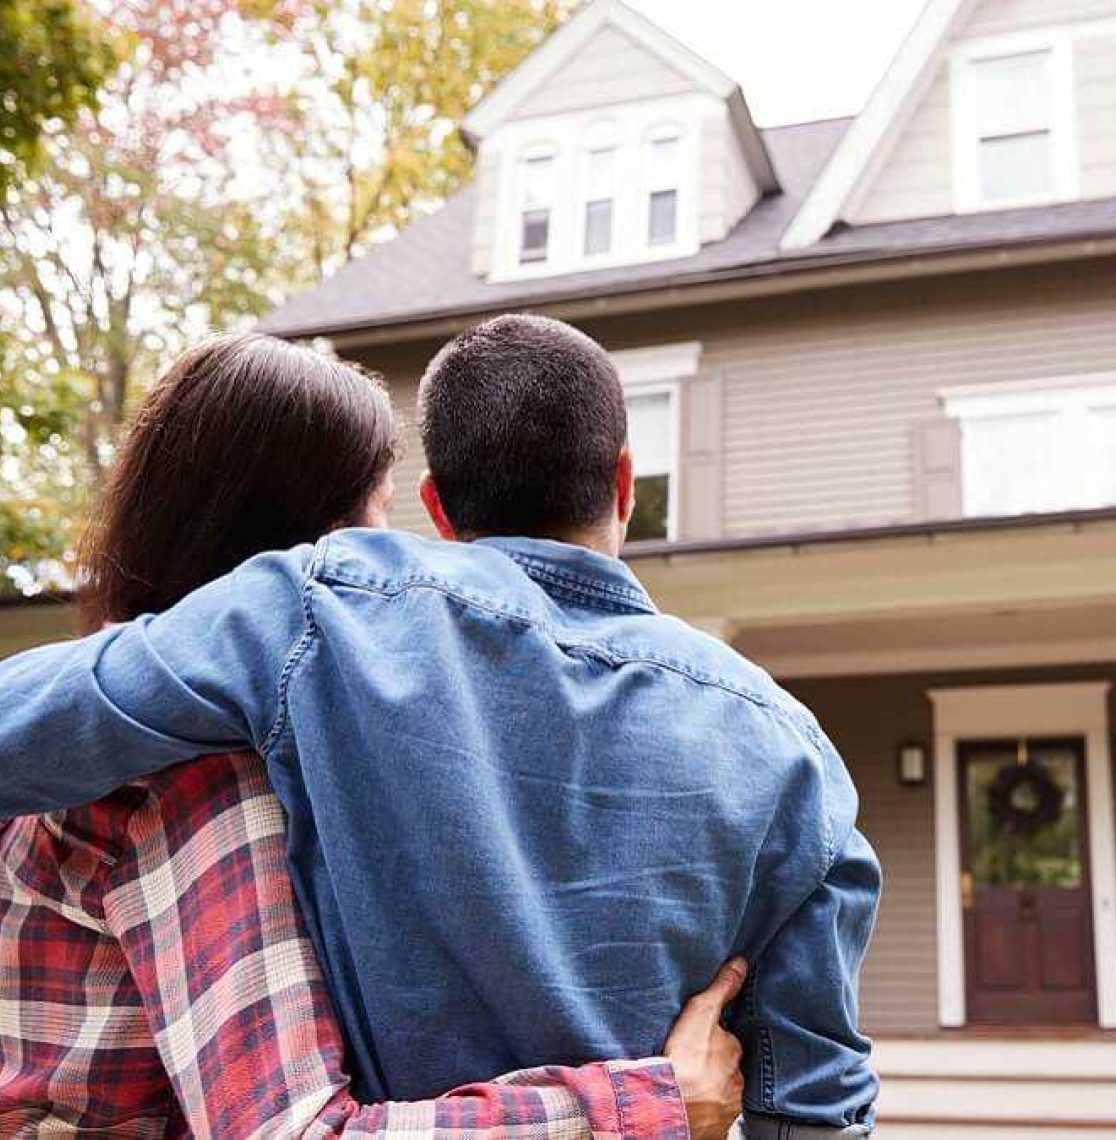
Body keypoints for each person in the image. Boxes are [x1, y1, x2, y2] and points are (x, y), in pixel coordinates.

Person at [0, 315, 882, 1137]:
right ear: (624, 482)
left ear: (439, 507)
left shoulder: (312, 615)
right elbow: (816, 1100)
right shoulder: (793, 749)